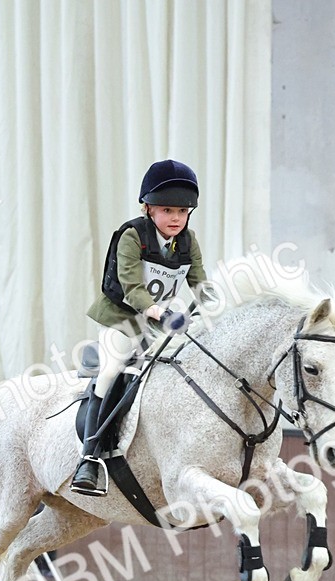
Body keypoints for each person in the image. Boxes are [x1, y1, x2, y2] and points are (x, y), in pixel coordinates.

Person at [71, 159, 208, 495]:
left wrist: (218, 304)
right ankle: (89, 458)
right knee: (111, 370)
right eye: (166, 210)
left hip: (160, 323)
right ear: (148, 209)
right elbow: (133, 289)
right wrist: (161, 314)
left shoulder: (188, 241)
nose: (175, 218)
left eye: (182, 211)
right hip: (122, 319)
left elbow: (200, 283)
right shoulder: (132, 236)